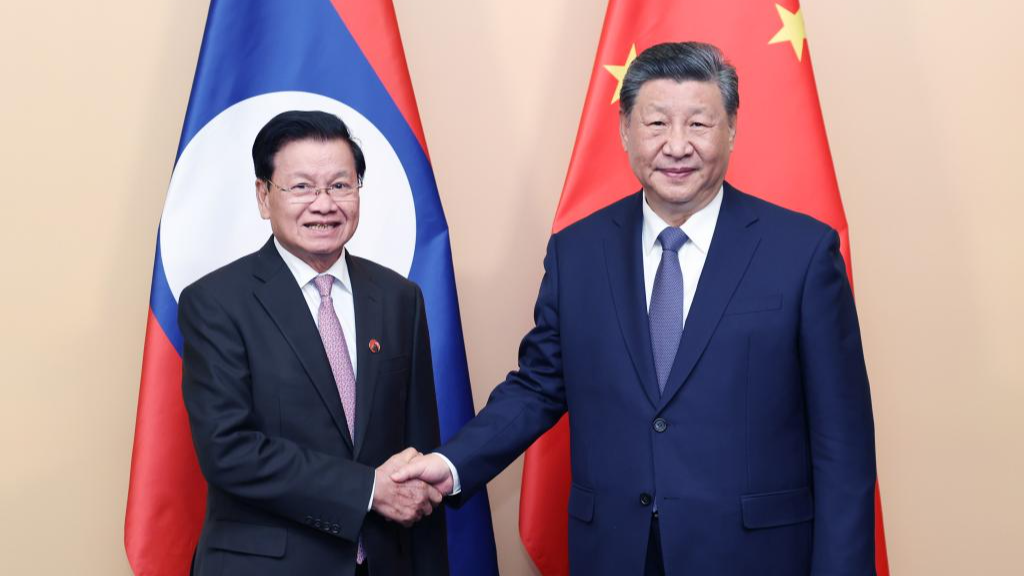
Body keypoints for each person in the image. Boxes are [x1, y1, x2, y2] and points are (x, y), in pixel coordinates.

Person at [393, 42, 876, 575]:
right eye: (656, 124)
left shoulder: (802, 252)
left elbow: (843, 446)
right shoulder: (577, 251)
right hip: (616, 552)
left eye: (698, 124)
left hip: (754, 555)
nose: (676, 145)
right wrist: (449, 463)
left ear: (732, 128)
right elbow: (538, 386)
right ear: (625, 130)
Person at [180, 110, 448, 576]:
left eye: (341, 186)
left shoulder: (399, 298)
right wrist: (367, 489)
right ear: (264, 196)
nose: (324, 204)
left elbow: (416, 454)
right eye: (301, 187)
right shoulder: (216, 302)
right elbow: (228, 449)